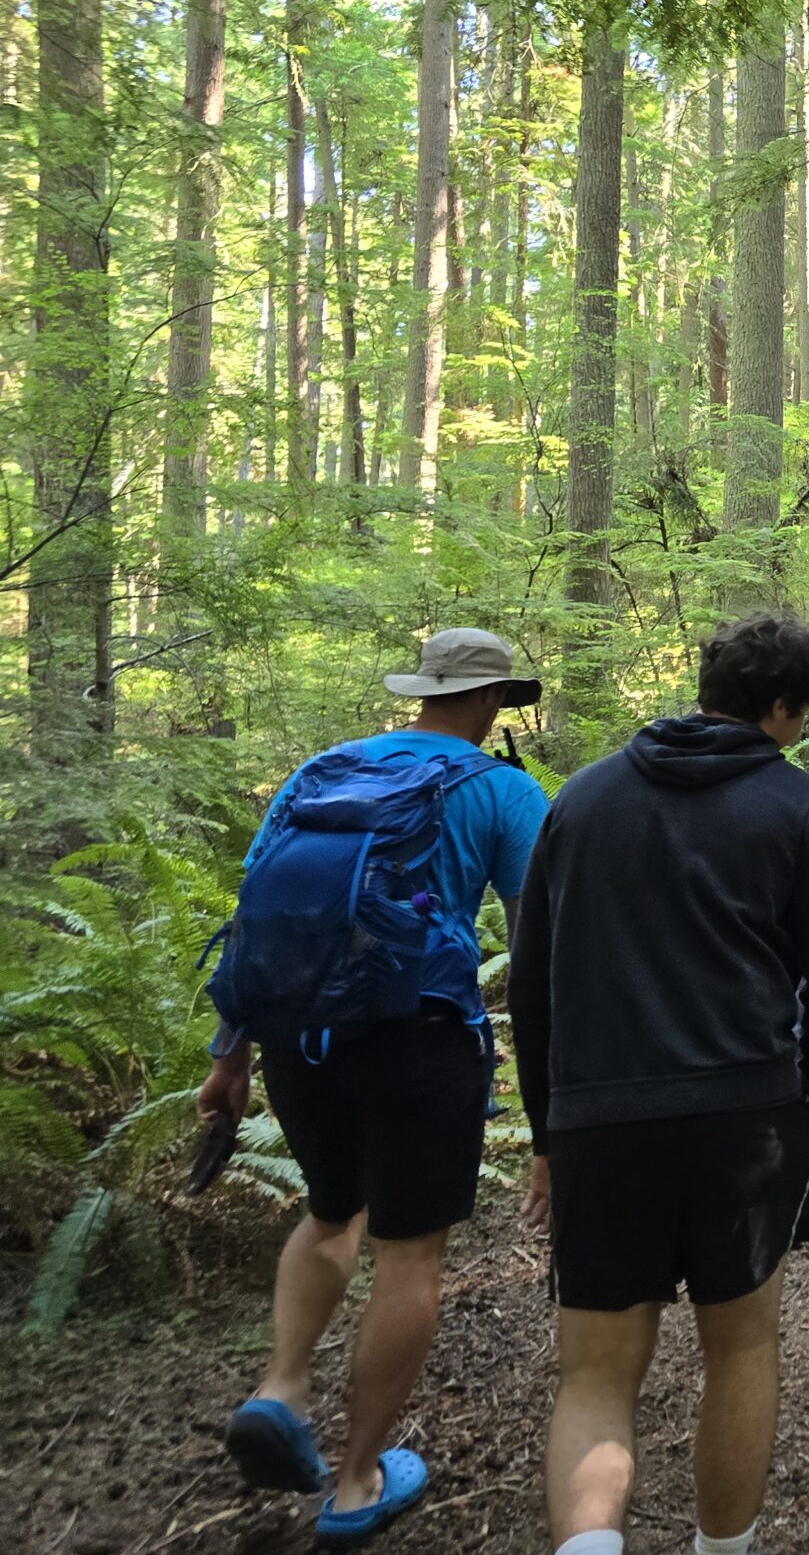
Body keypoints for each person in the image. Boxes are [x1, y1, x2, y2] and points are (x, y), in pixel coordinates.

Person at [514, 613, 809, 1555]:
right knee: (743, 1345)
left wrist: (547, 1131)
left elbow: (533, 978)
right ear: (784, 707)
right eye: (804, 711)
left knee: (593, 1376)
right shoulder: (796, 808)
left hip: (599, 1115)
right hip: (747, 1115)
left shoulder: (582, 800)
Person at [200, 630, 550, 1543]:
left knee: (328, 1212)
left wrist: (227, 1054)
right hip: (422, 1043)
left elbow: (253, 920)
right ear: (489, 702)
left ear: (424, 692)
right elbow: (539, 941)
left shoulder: (321, 772)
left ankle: (281, 1386)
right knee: (410, 1253)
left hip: (299, 1038)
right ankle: (356, 1481)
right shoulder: (504, 791)